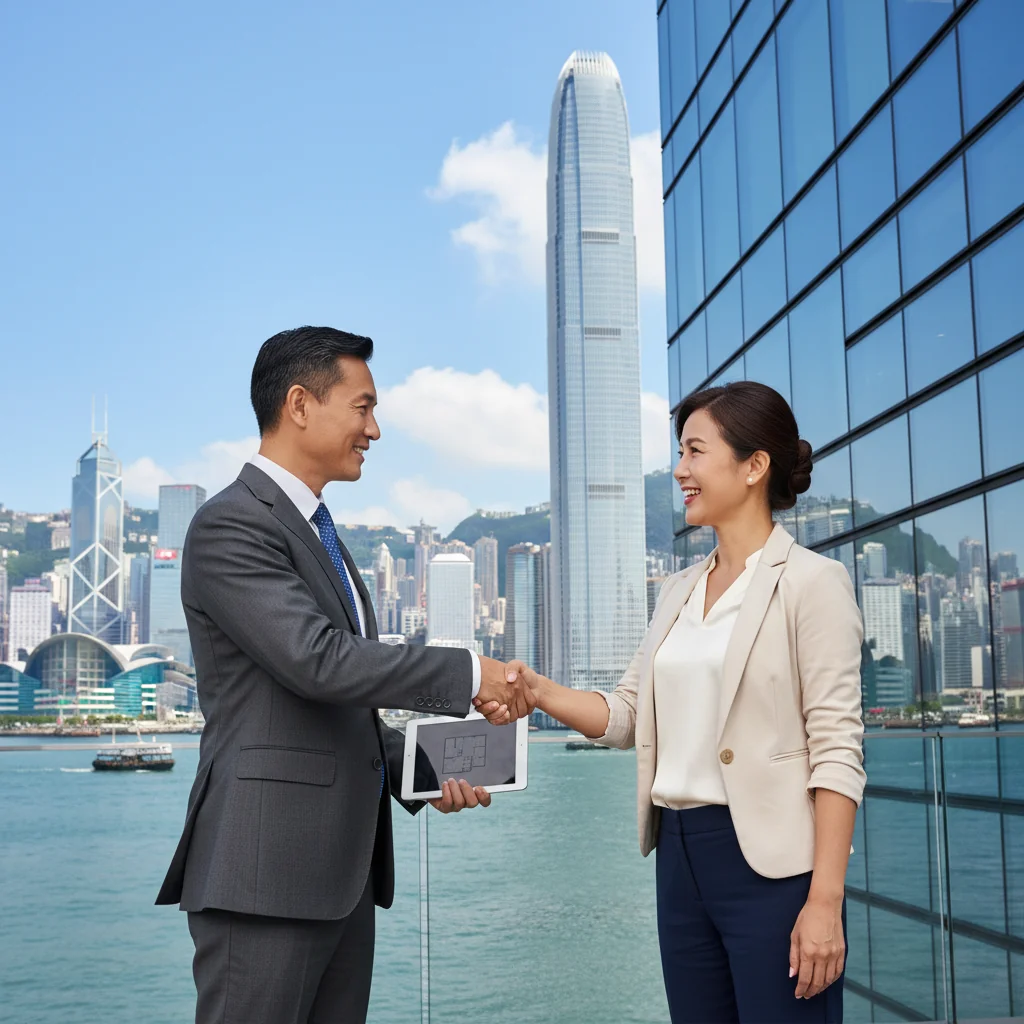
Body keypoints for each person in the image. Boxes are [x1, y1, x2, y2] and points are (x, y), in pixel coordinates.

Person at [156, 326, 535, 1024]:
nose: (376, 430)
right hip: (264, 877)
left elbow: (336, 708)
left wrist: (429, 770)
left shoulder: (324, 535)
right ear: (300, 404)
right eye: (362, 408)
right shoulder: (231, 526)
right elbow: (318, 660)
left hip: (340, 880)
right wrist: (468, 671)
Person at [480, 381, 865, 1023]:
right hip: (680, 861)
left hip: (773, 870)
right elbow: (629, 715)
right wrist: (537, 690)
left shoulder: (812, 584)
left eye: (694, 451)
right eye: (679, 453)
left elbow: (837, 753)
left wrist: (824, 899)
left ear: (754, 466)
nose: (679, 471)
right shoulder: (677, 591)